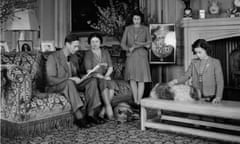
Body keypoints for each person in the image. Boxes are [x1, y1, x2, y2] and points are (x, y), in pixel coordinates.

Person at [46, 34, 104, 128]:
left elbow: (76, 74)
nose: (77, 49)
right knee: (69, 82)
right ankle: (79, 117)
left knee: (92, 81)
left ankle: (91, 114)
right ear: (67, 44)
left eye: (78, 46)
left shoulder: (74, 57)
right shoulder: (53, 57)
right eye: (75, 46)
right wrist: (69, 79)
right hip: (57, 85)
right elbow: (50, 80)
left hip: (72, 84)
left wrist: (84, 77)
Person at [169, 39, 224, 103]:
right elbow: (186, 76)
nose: (198, 55)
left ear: (206, 49)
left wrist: (218, 97)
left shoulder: (215, 62)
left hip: (211, 97)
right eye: (196, 53)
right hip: (196, 95)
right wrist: (174, 81)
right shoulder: (193, 62)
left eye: (200, 52)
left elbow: (220, 81)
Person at [84, 33, 119, 120]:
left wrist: (106, 75)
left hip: (105, 76)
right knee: (104, 82)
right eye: (92, 42)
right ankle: (108, 107)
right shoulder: (88, 54)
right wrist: (103, 77)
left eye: (97, 41)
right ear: (89, 43)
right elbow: (89, 71)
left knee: (110, 83)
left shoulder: (105, 52)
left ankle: (103, 110)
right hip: (94, 77)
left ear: (100, 43)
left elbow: (110, 67)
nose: (94, 44)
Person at [121, 10, 152, 106]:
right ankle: (135, 101)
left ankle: (139, 101)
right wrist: (128, 49)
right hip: (131, 55)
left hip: (142, 56)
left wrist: (141, 45)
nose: (136, 20)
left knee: (141, 79)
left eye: (138, 19)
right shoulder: (127, 28)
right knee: (132, 79)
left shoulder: (145, 28)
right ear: (132, 19)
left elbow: (149, 43)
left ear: (141, 19)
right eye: (135, 19)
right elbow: (122, 44)